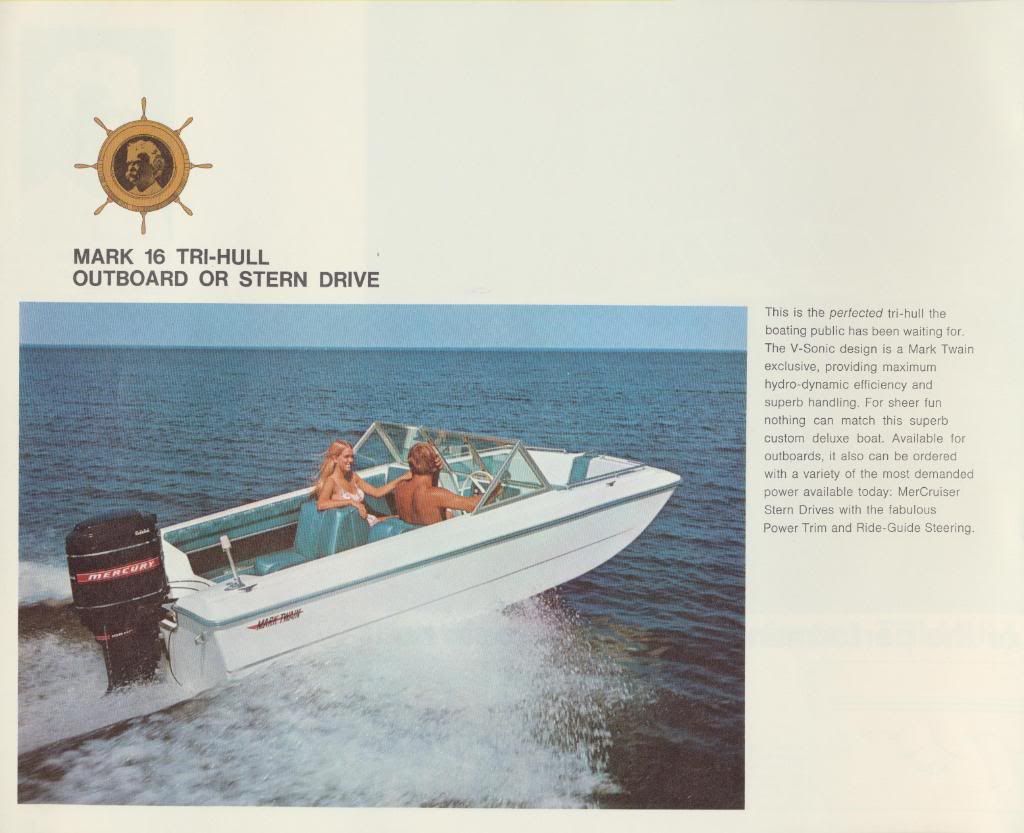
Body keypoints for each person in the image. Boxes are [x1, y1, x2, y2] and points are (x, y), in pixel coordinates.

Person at [312, 440, 411, 527]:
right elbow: (321, 504)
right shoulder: (331, 481)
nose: (351, 460)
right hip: (356, 527)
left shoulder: (353, 476)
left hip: (369, 521)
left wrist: (402, 478)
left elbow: (377, 492)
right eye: (346, 457)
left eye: (352, 457)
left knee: (402, 518)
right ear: (335, 459)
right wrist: (350, 502)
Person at [393, 442, 486, 526]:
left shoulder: (400, 488)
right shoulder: (435, 495)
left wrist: (436, 472)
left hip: (417, 536)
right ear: (434, 464)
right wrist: (491, 492)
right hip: (440, 537)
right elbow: (473, 506)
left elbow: (425, 500)